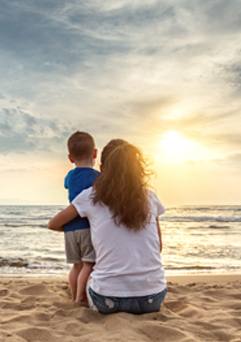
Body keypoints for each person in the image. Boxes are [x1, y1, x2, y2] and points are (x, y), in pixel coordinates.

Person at [48, 139, 167, 314]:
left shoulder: (90, 196)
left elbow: (53, 224)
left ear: (102, 170)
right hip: (153, 298)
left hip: (107, 299)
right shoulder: (150, 197)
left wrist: (91, 229)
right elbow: (158, 248)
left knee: (90, 271)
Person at [52, 131, 100, 304]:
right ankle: (81, 298)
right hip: (87, 226)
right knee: (89, 265)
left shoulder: (70, 176)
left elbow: (66, 186)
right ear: (95, 153)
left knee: (76, 266)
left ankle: (73, 297)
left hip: (70, 228)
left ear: (70, 158)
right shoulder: (97, 177)